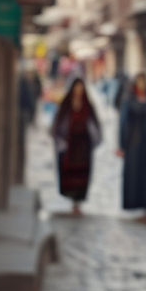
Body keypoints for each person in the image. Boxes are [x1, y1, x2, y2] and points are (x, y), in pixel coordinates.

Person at [50, 77, 101, 215]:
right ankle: (72, 200)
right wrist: (60, 140)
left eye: (81, 88)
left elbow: (95, 124)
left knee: (83, 174)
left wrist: (95, 138)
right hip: (69, 145)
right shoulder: (66, 105)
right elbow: (57, 124)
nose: (78, 90)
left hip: (83, 146)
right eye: (76, 87)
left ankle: (78, 201)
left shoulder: (88, 106)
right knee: (69, 174)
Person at [117, 72, 146, 221]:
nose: (142, 85)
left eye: (144, 81)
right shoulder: (129, 101)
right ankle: (135, 202)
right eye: (139, 82)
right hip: (134, 144)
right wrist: (122, 145)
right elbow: (123, 123)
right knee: (135, 174)